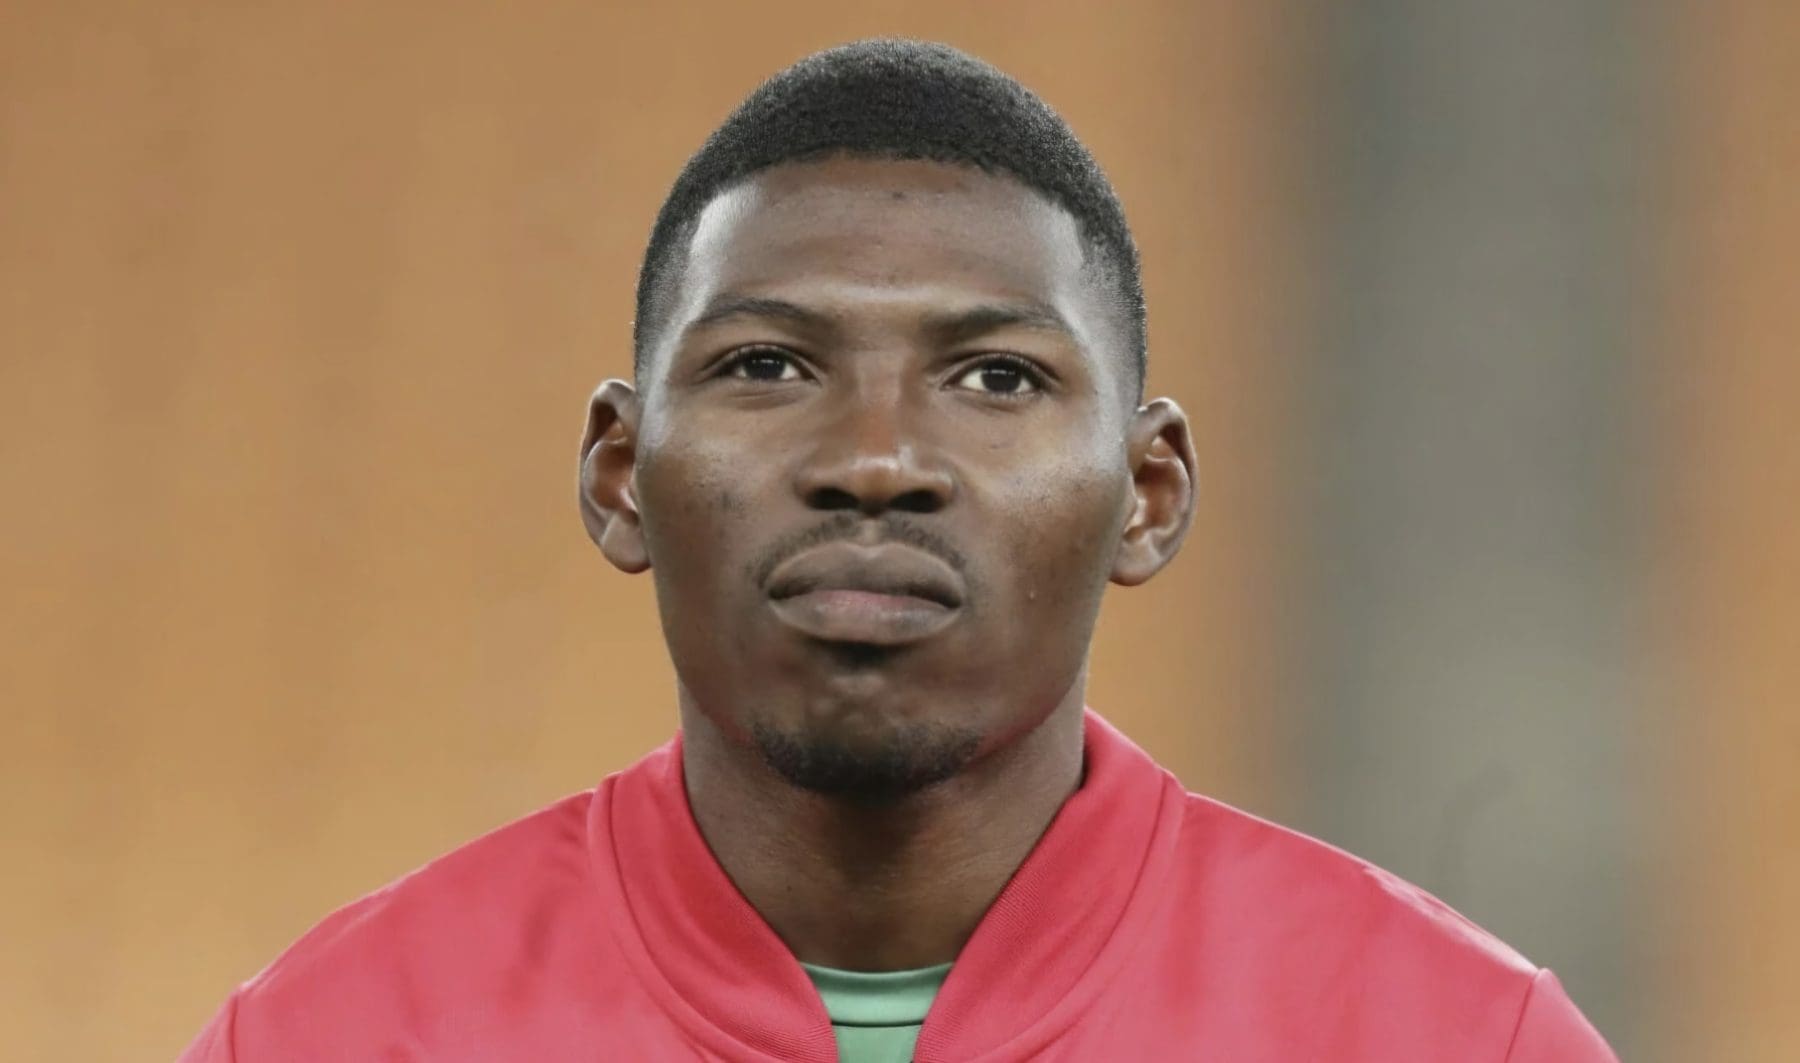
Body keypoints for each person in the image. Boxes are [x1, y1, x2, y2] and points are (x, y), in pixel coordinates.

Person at [180, 39, 1617, 1062]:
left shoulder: (1452, 1038)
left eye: (996, 378)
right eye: (766, 366)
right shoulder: (338, 1037)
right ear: (621, 475)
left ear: (1147, 493)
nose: (876, 461)